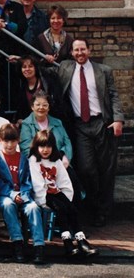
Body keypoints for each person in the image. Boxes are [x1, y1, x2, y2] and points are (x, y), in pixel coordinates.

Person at [57, 39, 124, 227]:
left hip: (102, 123)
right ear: (71, 53)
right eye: (76, 50)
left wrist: (118, 119)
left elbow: (113, 95)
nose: (80, 53)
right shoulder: (64, 68)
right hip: (79, 126)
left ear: (89, 50)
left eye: (83, 49)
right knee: (86, 169)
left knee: (106, 169)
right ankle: (92, 207)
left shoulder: (103, 70)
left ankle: (103, 212)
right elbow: (44, 72)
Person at [29, 130, 99, 258]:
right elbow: (37, 183)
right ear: (36, 146)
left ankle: (81, 240)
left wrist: (66, 196)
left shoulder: (56, 160)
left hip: (56, 192)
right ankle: (67, 242)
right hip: (44, 194)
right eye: (42, 146)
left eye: (49, 146)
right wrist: (43, 199)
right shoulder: (34, 160)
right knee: (61, 209)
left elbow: (63, 179)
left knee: (71, 208)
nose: (45, 150)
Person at [0, 124, 45, 264]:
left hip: (23, 194)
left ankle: (38, 246)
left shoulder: (23, 158)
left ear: (18, 140)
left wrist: (24, 194)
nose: (9, 145)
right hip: (5, 196)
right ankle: (17, 244)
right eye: (6, 141)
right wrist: (11, 194)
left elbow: (28, 179)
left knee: (33, 208)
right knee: (8, 205)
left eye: (13, 141)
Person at [14, 55, 63, 124]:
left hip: (50, 122)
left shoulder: (46, 83)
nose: (27, 69)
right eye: (24, 67)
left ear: (35, 68)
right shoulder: (22, 88)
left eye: (30, 66)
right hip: (32, 124)